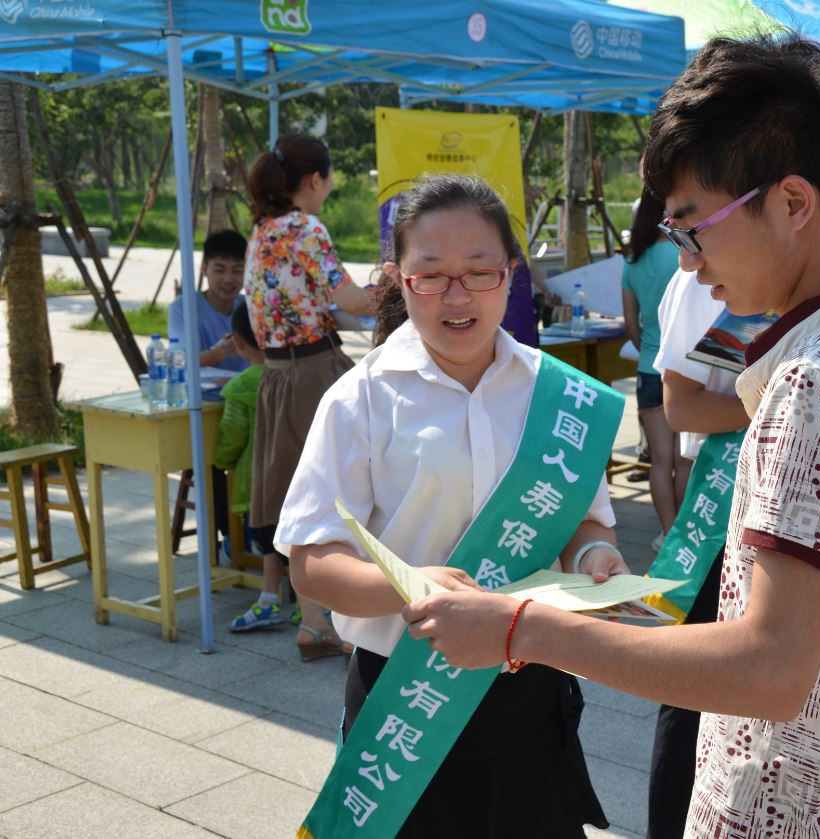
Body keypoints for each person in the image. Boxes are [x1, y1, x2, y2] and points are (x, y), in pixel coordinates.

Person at [404, 34, 820, 837]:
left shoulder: (814, 382)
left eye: (692, 229)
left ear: (791, 203)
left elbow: (771, 669)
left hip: (781, 812)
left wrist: (520, 628)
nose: (686, 264)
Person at [278, 175, 621, 837]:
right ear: (398, 279)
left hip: (529, 689)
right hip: (406, 701)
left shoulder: (559, 397)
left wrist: (596, 555)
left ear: (512, 273)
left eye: (480, 272)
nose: (457, 296)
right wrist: (408, 585)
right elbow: (312, 561)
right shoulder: (360, 398)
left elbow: (585, 518)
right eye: (431, 275)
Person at [244, 133, 379, 660]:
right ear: (315, 180)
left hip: (276, 378)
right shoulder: (305, 227)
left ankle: (315, 622)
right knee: (341, 491)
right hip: (314, 372)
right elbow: (352, 300)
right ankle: (339, 619)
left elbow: (314, 306)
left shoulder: (262, 231)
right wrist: (401, 284)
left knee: (296, 497)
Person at [642, 266, 750, 839]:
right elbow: (682, 407)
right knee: (691, 695)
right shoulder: (705, 281)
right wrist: (789, 398)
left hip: (803, 507)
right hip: (722, 510)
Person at [211, 301, 294, 630]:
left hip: (256, 478)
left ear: (238, 342)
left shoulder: (240, 386)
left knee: (266, 541)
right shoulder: (293, 376)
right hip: (292, 476)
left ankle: (269, 600)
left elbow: (233, 434)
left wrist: (220, 461)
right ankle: (301, 604)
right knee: (290, 542)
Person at [622, 189, 688, 544]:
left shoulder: (632, 261)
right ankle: (685, 537)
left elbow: (631, 327)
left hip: (649, 368)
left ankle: (666, 533)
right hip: (686, 370)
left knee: (660, 461)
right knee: (685, 459)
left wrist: (647, 346)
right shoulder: (684, 254)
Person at [167, 229, 251, 373]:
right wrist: (220, 352)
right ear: (204, 269)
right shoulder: (183, 308)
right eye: (220, 270)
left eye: (237, 271)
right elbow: (181, 361)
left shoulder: (251, 308)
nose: (228, 279)